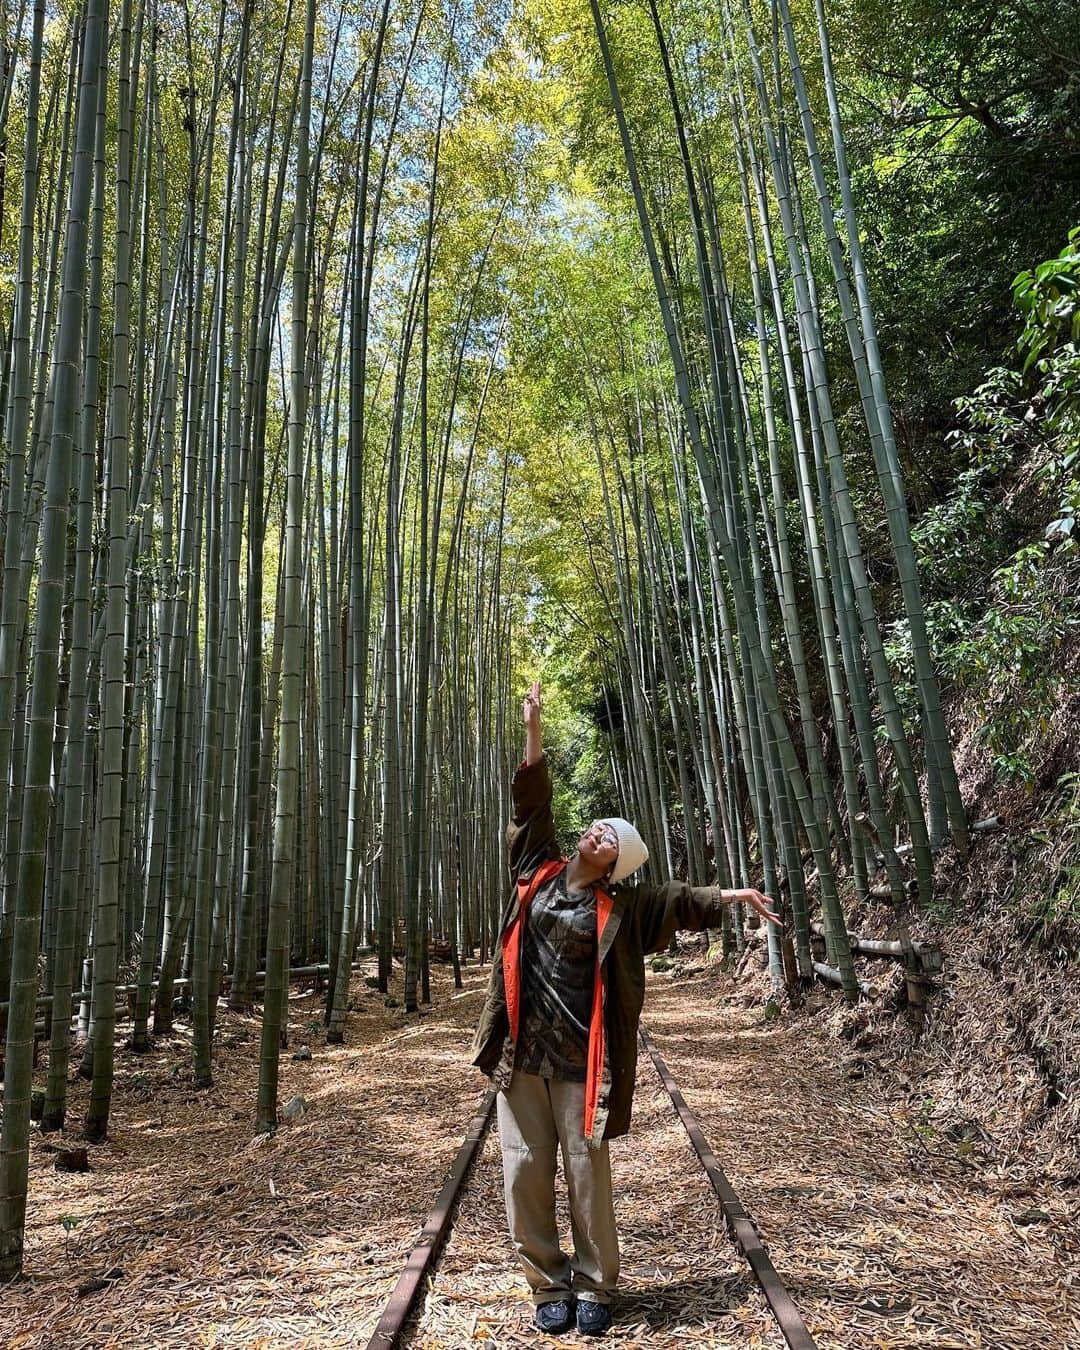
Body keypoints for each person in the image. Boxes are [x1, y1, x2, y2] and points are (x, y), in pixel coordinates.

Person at [472, 681, 781, 1337]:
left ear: (617, 862)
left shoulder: (626, 906)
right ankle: (545, 1282)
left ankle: (594, 1283)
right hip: (522, 1050)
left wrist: (735, 895)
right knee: (524, 1171)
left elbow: (680, 900)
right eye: (594, 827)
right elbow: (530, 804)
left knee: (586, 1172)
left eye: (608, 836)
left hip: (583, 1057)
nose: (594, 833)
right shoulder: (537, 870)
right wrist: (533, 727)